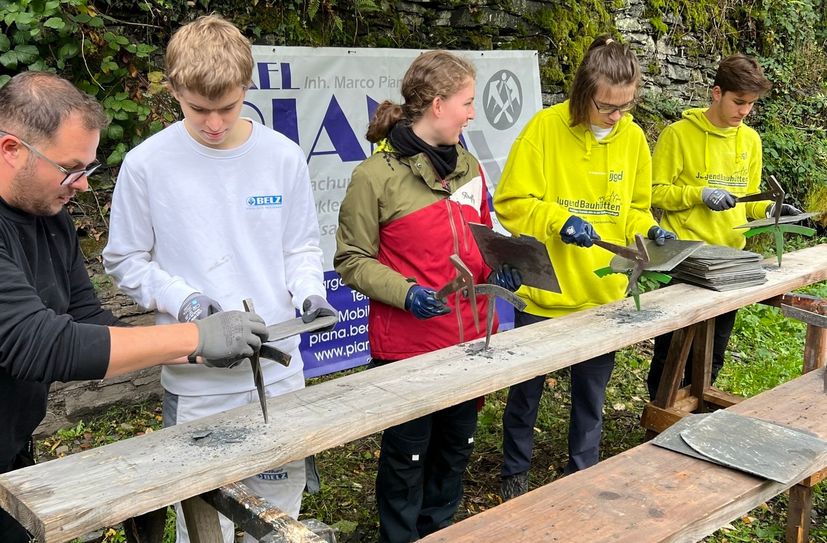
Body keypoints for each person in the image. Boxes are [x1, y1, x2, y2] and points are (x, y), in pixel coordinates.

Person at [0, 71, 267, 542]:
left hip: (12, 446)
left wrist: (199, 353)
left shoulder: (49, 217)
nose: (81, 186)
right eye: (70, 168)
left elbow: (88, 320)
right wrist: (196, 334)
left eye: (87, 169)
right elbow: (36, 344)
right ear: (11, 150)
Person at [102, 15, 335, 543]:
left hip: (277, 374)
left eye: (226, 108)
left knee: (276, 518)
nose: (212, 123)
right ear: (174, 91)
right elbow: (125, 258)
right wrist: (186, 302)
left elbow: (299, 246)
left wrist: (310, 293)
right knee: (202, 524)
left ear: (246, 88)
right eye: (198, 109)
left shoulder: (281, 156)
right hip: (197, 382)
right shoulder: (147, 165)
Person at [334, 50, 521, 543]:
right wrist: (408, 292)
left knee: (455, 452)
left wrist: (501, 268)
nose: (472, 112)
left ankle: (438, 531)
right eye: (466, 102)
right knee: (407, 459)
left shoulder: (469, 166)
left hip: (470, 341)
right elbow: (351, 259)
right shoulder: (374, 177)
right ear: (438, 105)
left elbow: (482, 236)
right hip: (410, 348)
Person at [493, 35, 674, 500]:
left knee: (590, 396)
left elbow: (633, 207)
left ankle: (582, 473)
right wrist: (558, 219)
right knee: (525, 392)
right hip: (545, 290)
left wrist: (651, 229)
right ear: (582, 93)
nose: (617, 116)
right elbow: (511, 203)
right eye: (607, 106)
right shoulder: (545, 129)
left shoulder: (632, 137)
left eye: (626, 106)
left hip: (601, 294)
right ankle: (515, 470)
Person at [645, 54, 796, 399]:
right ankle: (659, 416)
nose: (744, 111)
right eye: (738, 101)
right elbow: (655, 193)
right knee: (671, 351)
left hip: (730, 261)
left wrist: (771, 207)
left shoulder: (750, 141)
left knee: (713, 352)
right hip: (685, 258)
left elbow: (746, 201)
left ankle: (697, 416)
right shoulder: (679, 135)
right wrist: (700, 194)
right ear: (716, 93)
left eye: (751, 104)